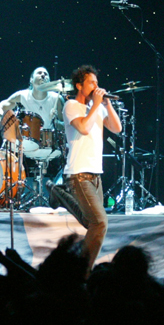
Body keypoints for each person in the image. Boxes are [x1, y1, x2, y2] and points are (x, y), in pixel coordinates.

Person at [63, 65, 122, 273]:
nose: (96, 86)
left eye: (97, 83)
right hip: (78, 173)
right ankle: (83, 272)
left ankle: (59, 195)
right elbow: (84, 128)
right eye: (91, 83)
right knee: (99, 223)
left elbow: (117, 128)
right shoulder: (71, 105)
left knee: (92, 223)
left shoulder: (99, 106)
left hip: (96, 174)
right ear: (79, 85)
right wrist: (96, 105)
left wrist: (106, 104)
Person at [0, 66, 66, 161]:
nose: (43, 75)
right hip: (26, 145)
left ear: (50, 81)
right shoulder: (22, 96)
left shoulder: (57, 99)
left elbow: (66, 125)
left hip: (50, 146)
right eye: (39, 73)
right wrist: (8, 120)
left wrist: (57, 122)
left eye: (46, 74)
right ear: (31, 80)